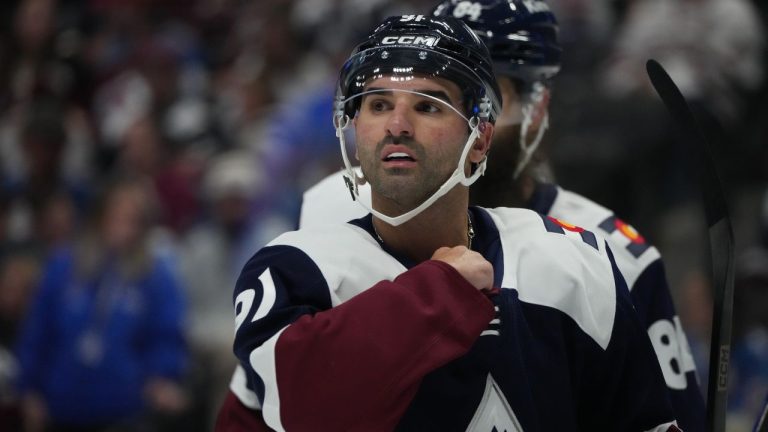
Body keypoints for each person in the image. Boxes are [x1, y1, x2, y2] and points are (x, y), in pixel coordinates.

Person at [216, 14, 680, 431]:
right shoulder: (293, 268)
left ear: (479, 139)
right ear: (355, 129)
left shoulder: (577, 260)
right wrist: (440, 291)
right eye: (377, 105)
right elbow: (301, 410)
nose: (397, 124)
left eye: (427, 105)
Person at [13, 175, 189, 431]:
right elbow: (38, 330)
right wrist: (29, 390)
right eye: (116, 216)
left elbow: (166, 334)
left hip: (125, 410)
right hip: (60, 406)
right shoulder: (64, 266)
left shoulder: (155, 275)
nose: (123, 227)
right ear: (100, 217)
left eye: (133, 219)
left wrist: (162, 376)